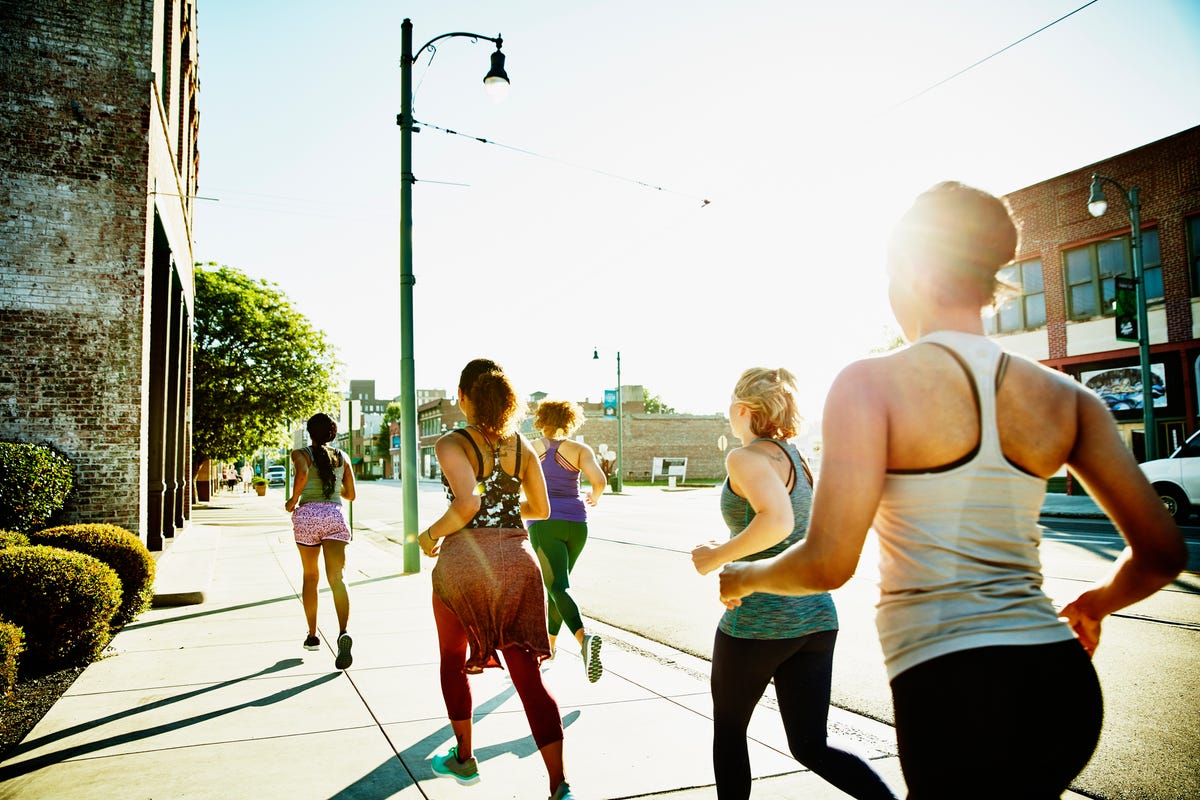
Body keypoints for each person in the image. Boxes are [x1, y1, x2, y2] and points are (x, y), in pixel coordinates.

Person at [718, 182, 1187, 798]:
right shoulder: (1069, 399)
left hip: (951, 681)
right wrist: (1095, 603)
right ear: (992, 277)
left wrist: (745, 578)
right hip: (1061, 682)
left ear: (906, 272)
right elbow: (1162, 554)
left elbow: (829, 563)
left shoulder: (869, 384)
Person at [691, 368, 897, 800]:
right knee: (810, 745)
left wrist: (717, 557)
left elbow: (778, 522)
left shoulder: (744, 457)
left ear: (743, 409)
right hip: (816, 620)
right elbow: (787, 523)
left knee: (729, 731)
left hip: (760, 622)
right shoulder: (794, 456)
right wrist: (732, 545)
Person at [418, 359, 575, 800]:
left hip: (464, 561)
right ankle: (559, 785)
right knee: (528, 678)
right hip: (517, 562)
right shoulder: (522, 446)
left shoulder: (452, 443)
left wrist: (428, 535)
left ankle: (464, 760)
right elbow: (540, 509)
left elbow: (466, 504)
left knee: (452, 659)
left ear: (464, 396)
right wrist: (504, 514)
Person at [529, 398, 608, 681]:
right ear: (571, 420)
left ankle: (584, 640)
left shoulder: (532, 449)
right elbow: (599, 482)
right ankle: (549, 649)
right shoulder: (580, 450)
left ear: (541, 420)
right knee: (558, 588)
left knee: (557, 586)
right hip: (577, 524)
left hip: (544, 522)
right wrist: (594, 498)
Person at [285, 412, 356, 670]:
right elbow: (351, 494)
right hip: (335, 516)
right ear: (332, 433)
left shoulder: (301, 454)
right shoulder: (342, 457)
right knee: (337, 578)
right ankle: (343, 631)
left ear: (309, 432)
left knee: (310, 577)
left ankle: (313, 636)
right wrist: (334, 488)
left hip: (308, 517)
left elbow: (302, 474)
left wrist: (292, 501)